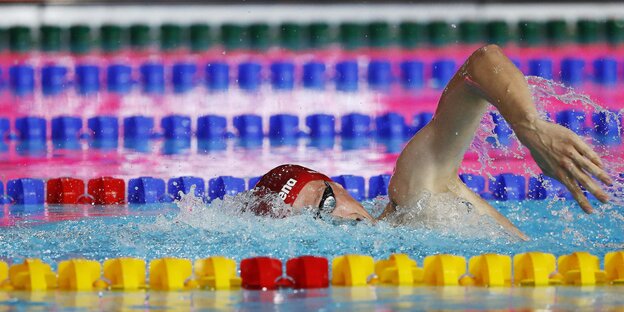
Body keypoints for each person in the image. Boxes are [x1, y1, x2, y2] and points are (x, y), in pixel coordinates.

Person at [250, 45, 613, 240]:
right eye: (308, 224)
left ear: (341, 189)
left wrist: (531, 127)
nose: (331, 222)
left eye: (326, 202)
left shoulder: (412, 195)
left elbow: (482, 63)